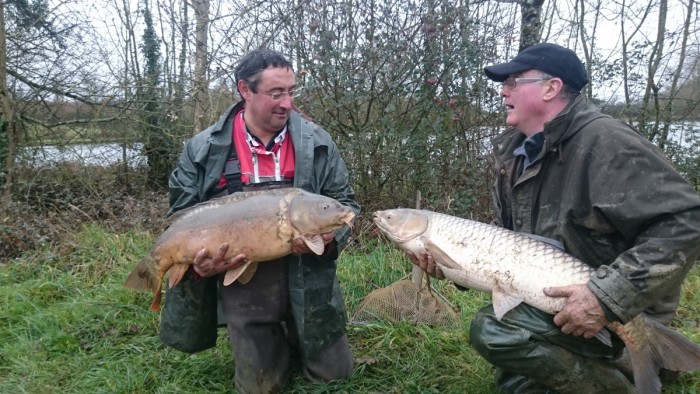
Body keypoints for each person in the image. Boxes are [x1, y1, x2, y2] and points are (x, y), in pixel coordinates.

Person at [411, 42, 700, 393]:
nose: (503, 90)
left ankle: (625, 371)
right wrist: (452, 265)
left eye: (514, 81)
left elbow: (686, 221)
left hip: (619, 307)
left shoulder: (605, 144)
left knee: (495, 329)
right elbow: (509, 247)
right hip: (550, 297)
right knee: (514, 382)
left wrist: (606, 298)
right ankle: (628, 363)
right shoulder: (514, 154)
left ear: (551, 87)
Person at [166, 48, 360, 393]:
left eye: (291, 91)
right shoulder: (202, 149)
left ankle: (297, 332)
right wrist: (200, 266)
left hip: (309, 275)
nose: (287, 103)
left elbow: (346, 206)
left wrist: (329, 241)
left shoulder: (317, 142)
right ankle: (267, 341)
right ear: (245, 90)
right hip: (244, 281)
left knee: (335, 375)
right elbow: (181, 217)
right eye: (275, 93)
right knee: (259, 388)